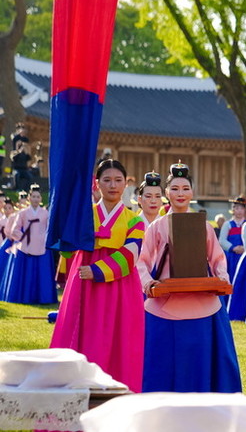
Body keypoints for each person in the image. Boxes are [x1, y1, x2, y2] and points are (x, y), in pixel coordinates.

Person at [138, 162, 241, 393]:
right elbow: (142, 261)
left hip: (203, 301)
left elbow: (217, 258)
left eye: (185, 188)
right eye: (175, 189)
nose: (180, 193)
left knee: (202, 364)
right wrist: (148, 283)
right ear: (166, 193)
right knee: (161, 366)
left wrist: (222, 278)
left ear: (192, 192)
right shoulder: (156, 227)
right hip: (165, 302)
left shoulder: (204, 226)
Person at [50, 159, 145, 392]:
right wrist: (64, 222)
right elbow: (67, 250)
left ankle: (116, 391)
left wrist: (96, 270)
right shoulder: (83, 215)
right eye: (107, 180)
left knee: (119, 338)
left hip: (119, 286)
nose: (113, 185)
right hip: (83, 285)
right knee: (81, 333)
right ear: (96, 183)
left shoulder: (134, 220)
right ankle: (75, 390)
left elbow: (130, 254)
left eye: (118, 180)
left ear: (125, 184)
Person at [0, 185, 55, 304]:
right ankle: (24, 297)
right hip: (25, 247)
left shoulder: (45, 213)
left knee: (42, 274)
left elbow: (50, 230)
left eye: (38, 197)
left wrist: (43, 239)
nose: (35, 199)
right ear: (29, 198)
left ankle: (43, 298)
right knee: (25, 274)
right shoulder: (22, 213)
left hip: (41, 247)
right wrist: (23, 238)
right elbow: (15, 229)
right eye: (33, 196)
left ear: (41, 199)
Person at [219, 197, 246, 294]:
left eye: (241, 208)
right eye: (237, 208)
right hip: (231, 258)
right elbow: (222, 240)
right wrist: (233, 248)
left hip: (245, 257)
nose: (239, 211)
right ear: (233, 209)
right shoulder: (228, 224)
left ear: (245, 210)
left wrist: (245, 248)